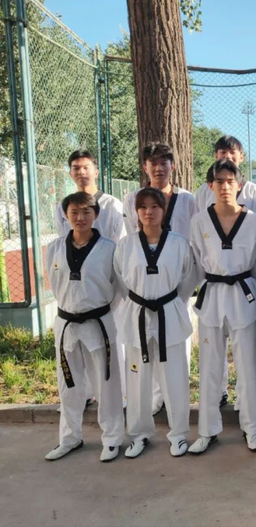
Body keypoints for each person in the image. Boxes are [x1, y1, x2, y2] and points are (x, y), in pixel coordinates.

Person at [114, 187, 198, 458]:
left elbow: (189, 278)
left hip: (168, 313)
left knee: (174, 377)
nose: (148, 212)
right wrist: (140, 300)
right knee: (137, 379)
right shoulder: (125, 245)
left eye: (154, 207)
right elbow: (120, 281)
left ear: (164, 210)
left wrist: (171, 301)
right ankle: (139, 434)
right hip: (137, 314)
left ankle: (179, 434)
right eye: (143, 207)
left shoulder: (179, 243)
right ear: (136, 212)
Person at [188, 160, 256, 454]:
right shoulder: (199, 222)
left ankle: (252, 429)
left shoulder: (253, 222)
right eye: (218, 181)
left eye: (230, 181)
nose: (224, 186)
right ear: (210, 186)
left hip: (243, 296)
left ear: (239, 185)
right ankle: (207, 431)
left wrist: (252, 290)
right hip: (212, 296)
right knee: (209, 367)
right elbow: (197, 262)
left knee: (248, 366)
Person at [45, 192, 124, 462]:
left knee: (106, 383)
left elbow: (118, 288)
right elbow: (56, 284)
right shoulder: (55, 248)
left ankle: (112, 438)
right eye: (74, 212)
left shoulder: (110, 248)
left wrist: (98, 310)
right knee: (68, 383)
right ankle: (70, 438)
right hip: (67, 322)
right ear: (66, 215)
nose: (80, 218)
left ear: (96, 215)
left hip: (99, 321)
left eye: (86, 212)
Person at [123, 142, 198, 416]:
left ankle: (177, 397)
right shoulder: (133, 199)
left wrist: (180, 293)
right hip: (147, 286)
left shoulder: (187, 200)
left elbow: (193, 239)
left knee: (178, 344)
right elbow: (133, 239)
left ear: (172, 166)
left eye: (163, 163)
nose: (158, 168)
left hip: (177, 285)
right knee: (148, 343)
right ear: (145, 168)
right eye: (152, 163)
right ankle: (156, 397)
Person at [53, 150, 127, 409]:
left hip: (105, 283)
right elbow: (63, 244)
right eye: (75, 168)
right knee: (75, 347)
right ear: (70, 173)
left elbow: (120, 245)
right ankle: (82, 395)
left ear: (96, 171)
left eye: (85, 167)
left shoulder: (112, 205)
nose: (81, 172)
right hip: (76, 285)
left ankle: (117, 396)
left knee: (110, 343)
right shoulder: (63, 205)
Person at [194, 135, 256, 222]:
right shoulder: (204, 191)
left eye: (232, 152)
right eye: (223, 152)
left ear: (241, 157)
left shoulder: (255, 192)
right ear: (216, 156)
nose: (228, 156)